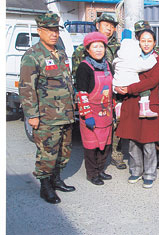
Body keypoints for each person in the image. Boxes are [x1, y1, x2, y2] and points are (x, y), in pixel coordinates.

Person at [19, 13, 76, 204]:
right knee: (47, 152)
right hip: (46, 116)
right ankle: (45, 187)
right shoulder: (33, 55)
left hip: (66, 113)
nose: (53, 34)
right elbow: (27, 88)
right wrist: (32, 115)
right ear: (39, 31)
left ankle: (56, 179)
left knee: (64, 150)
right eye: (49, 30)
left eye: (56, 30)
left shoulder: (60, 52)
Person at [72, 13, 127, 170]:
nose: (109, 28)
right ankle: (93, 170)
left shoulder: (117, 47)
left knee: (112, 132)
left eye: (112, 26)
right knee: (93, 137)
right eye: (105, 25)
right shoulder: (83, 53)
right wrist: (85, 110)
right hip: (91, 99)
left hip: (111, 97)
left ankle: (113, 157)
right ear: (97, 25)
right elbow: (80, 81)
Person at [115, 29, 159, 189]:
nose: (146, 43)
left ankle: (149, 174)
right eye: (143, 40)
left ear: (154, 43)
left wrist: (128, 88)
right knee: (132, 140)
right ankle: (136, 171)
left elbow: (151, 81)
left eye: (149, 41)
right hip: (131, 103)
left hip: (148, 103)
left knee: (148, 142)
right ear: (139, 42)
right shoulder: (131, 56)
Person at [75, 32, 114, 185]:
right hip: (91, 113)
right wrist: (87, 115)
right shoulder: (84, 67)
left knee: (105, 144)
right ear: (88, 50)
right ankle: (92, 174)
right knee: (92, 146)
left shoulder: (108, 65)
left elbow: (112, 89)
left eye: (101, 46)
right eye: (95, 47)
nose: (99, 50)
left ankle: (100, 169)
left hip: (106, 112)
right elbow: (81, 93)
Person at [134, 20, 159, 169]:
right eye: (140, 35)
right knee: (141, 127)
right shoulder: (133, 51)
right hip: (138, 95)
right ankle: (142, 156)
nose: (145, 41)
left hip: (157, 96)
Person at [112, 29, 158, 118]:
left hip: (117, 84)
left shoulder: (117, 61)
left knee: (119, 99)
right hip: (130, 84)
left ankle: (118, 109)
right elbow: (145, 65)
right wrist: (153, 58)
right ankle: (144, 109)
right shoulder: (133, 62)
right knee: (145, 91)